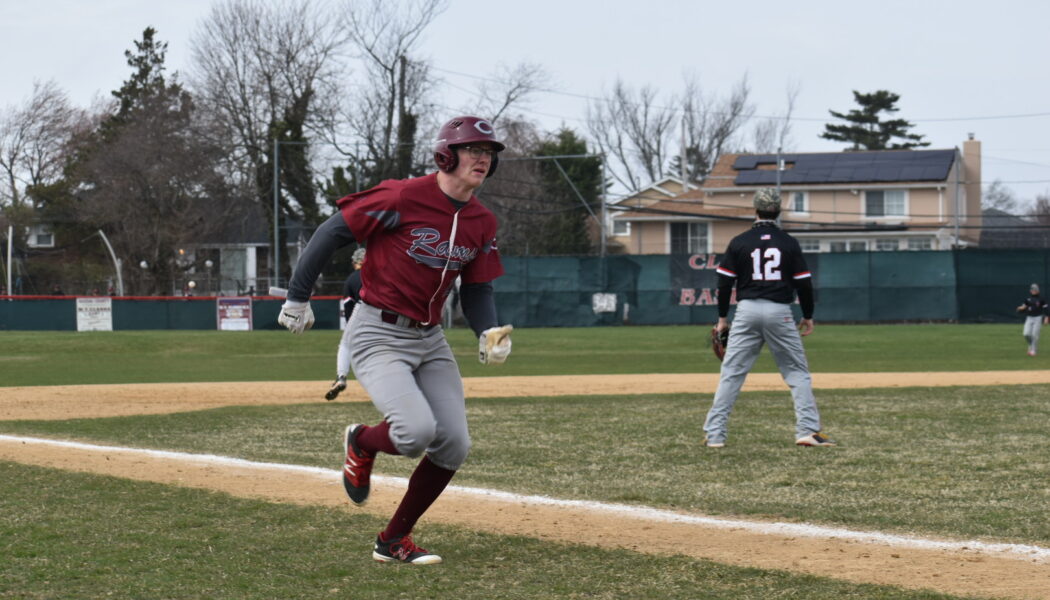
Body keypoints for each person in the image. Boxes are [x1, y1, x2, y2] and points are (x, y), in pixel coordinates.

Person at [277, 115, 512, 564]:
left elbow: (478, 287)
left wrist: (487, 330)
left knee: (454, 444)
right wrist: (298, 297)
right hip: (378, 331)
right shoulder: (402, 196)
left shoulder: (482, 220)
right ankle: (363, 441)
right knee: (415, 431)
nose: (483, 158)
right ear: (446, 154)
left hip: (430, 339)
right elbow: (331, 232)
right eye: (474, 150)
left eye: (489, 153)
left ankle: (392, 540)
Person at [702, 188, 834, 448]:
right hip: (779, 312)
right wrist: (808, 315)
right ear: (779, 210)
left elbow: (724, 283)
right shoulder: (788, 242)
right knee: (797, 372)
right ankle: (807, 430)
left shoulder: (740, 241)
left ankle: (715, 435)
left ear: (755, 209)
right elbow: (804, 284)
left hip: (747, 310)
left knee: (731, 373)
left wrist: (722, 319)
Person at [325, 247, 366, 401]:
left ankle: (341, 376)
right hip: (386, 318)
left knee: (345, 345)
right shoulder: (380, 275)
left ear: (356, 262)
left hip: (360, 315)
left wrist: (350, 327)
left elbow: (349, 305)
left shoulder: (352, 279)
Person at [1017, 283, 1049, 357]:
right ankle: (1031, 345)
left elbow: (1046, 309)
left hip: (1038, 318)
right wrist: (1020, 308)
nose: (1033, 291)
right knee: (1026, 334)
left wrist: (1046, 318)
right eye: (1032, 289)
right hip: (1029, 318)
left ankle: (1033, 351)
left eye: (1035, 289)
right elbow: (1023, 307)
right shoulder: (1027, 300)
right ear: (1030, 291)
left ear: (1038, 290)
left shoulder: (1041, 299)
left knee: (1035, 335)